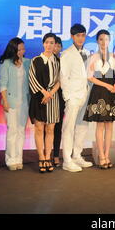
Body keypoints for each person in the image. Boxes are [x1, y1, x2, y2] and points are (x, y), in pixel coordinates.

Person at [83, 30, 115, 169]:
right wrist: (107, 85)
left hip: (111, 93)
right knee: (100, 125)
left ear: (109, 41)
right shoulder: (92, 57)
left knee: (109, 125)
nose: (104, 42)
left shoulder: (113, 57)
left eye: (106, 39)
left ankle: (107, 154)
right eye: (101, 39)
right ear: (97, 41)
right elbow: (90, 77)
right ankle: (101, 156)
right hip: (99, 92)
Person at [60, 24, 93, 172]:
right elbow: (63, 77)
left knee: (82, 127)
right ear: (72, 37)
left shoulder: (86, 53)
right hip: (73, 96)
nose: (81, 38)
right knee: (69, 129)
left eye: (83, 35)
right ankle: (67, 160)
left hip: (85, 94)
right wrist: (68, 97)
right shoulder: (67, 54)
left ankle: (77, 155)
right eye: (78, 35)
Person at [29, 33, 61, 173]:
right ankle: (41, 157)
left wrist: (51, 93)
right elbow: (32, 79)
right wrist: (44, 93)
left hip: (53, 98)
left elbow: (61, 80)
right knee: (39, 128)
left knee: (50, 129)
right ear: (43, 43)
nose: (49, 45)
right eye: (47, 42)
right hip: (39, 98)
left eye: (52, 42)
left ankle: (48, 157)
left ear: (55, 45)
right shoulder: (35, 60)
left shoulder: (58, 61)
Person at [0, 37, 31, 171]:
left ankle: (19, 158)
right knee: (12, 130)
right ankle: (10, 159)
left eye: (23, 49)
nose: (22, 51)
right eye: (19, 49)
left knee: (21, 131)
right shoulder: (6, 63)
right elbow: (3, 84)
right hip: (10, 102)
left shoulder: (27, 62)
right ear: (13, 49)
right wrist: (5, 101)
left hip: (24, 102)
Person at [52, 36, 65, 168]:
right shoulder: (42, 60)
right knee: (46, 127)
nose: (55, 47)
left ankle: (56, 155)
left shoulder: (63, 62)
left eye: (58, 45)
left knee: (57, 127)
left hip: (60, 97)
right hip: (47, 97)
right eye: (53, 44)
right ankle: (45, 153)